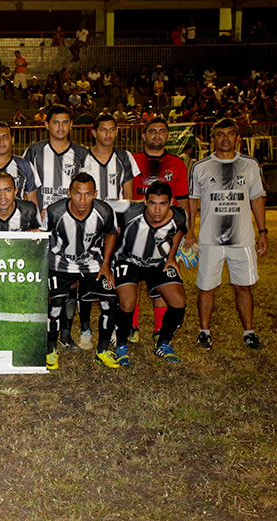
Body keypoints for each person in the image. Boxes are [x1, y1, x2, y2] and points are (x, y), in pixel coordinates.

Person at [186, 118, 268, 350]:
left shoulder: (250, 165)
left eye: (230, 134)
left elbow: (256, 199)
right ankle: (204, 333)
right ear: (212, 138)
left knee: (243, 286)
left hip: (242, 239)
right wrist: (190, 231)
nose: (225, 138)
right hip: (210, 240)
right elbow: (192, 201)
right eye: (220, 134)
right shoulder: (200, 167)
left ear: (237, 138)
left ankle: (249, 332)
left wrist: (263, 231)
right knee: (206, 287)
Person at [74, 114, 141, 350]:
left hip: (117, 226)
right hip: (88, 225)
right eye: (103, 130)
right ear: (94, 132)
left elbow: (129, 198)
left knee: (117, 274)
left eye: (112, 130)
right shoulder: (82, 156)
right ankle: (85, 329)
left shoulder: (124, 157)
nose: (108, 134)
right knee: (86, 275)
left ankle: (116, 325)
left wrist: (125, 223)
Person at [125, 118, 192, 343]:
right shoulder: (132, 161)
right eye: (152, 131)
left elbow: (183, 201)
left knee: (161, 281)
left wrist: (188, 232)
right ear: (143, 136)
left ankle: (158, 328)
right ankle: (131, 327)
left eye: (162, 131)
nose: (157, 135)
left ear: (167, 136)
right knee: (131, 281)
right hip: (136, 231)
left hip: (166, 233)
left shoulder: (177, 163)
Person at [44, 173, 118, 371]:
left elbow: (112, 233)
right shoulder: (54, 211)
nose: (82, 200)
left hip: (92, 264)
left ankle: (102, 351)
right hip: (60, 264)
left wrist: (106, 264)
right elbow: (42, 236)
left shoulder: (104, 211)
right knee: (56, 304)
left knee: (109, 300)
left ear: (95, 193)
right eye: (77, 194)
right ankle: (51, 350)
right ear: (69, 193)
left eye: (87, 194)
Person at [114, 180, 188, 365]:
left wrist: (172, 257)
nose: (157, 210)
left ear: (171, 202)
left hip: (157, 263)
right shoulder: (129, 210)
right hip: (128, 259)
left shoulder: (179, 216)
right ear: (145, 201)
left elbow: (179, 230)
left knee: (178, 300)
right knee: (128, 301)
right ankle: (121, 345)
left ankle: (163, 343)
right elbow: (99, 204)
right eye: (152, 203)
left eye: (162, 204)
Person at [23, 104, 88, 213]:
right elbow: (25, 186)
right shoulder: (33, 151)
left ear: (71, 124)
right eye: (56, 122)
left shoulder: (82, 153)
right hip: (41, 216)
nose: (61, 127)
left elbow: (88, 188)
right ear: (47, 125)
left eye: (65, 122)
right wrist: (34, 214)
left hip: (72, 217)